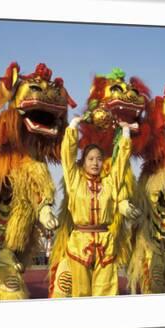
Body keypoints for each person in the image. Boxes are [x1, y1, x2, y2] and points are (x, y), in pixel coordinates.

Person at [61, 116, 132, 296]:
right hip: (80, 242)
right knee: (81, 294)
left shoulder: (109, 183)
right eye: (90, 159)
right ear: (83, 162)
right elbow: (67, 156)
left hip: (105, 243)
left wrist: (125, 132)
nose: (95, 163)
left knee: (106, 293)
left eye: (99, 159)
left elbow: (120, 165)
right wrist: (74, 126)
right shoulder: (74, 180)